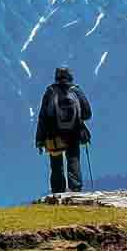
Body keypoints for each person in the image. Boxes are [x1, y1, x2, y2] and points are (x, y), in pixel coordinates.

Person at [35, 65, 92, 196]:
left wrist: (39, 139)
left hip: (53, 134)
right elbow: (88, 113)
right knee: (73, 159)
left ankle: (57, 192)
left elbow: (43, 117)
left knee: (56, 164)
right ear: (70, 76)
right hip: (74, 133)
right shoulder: (76, 91)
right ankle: (75, 190)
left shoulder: (50, 92)